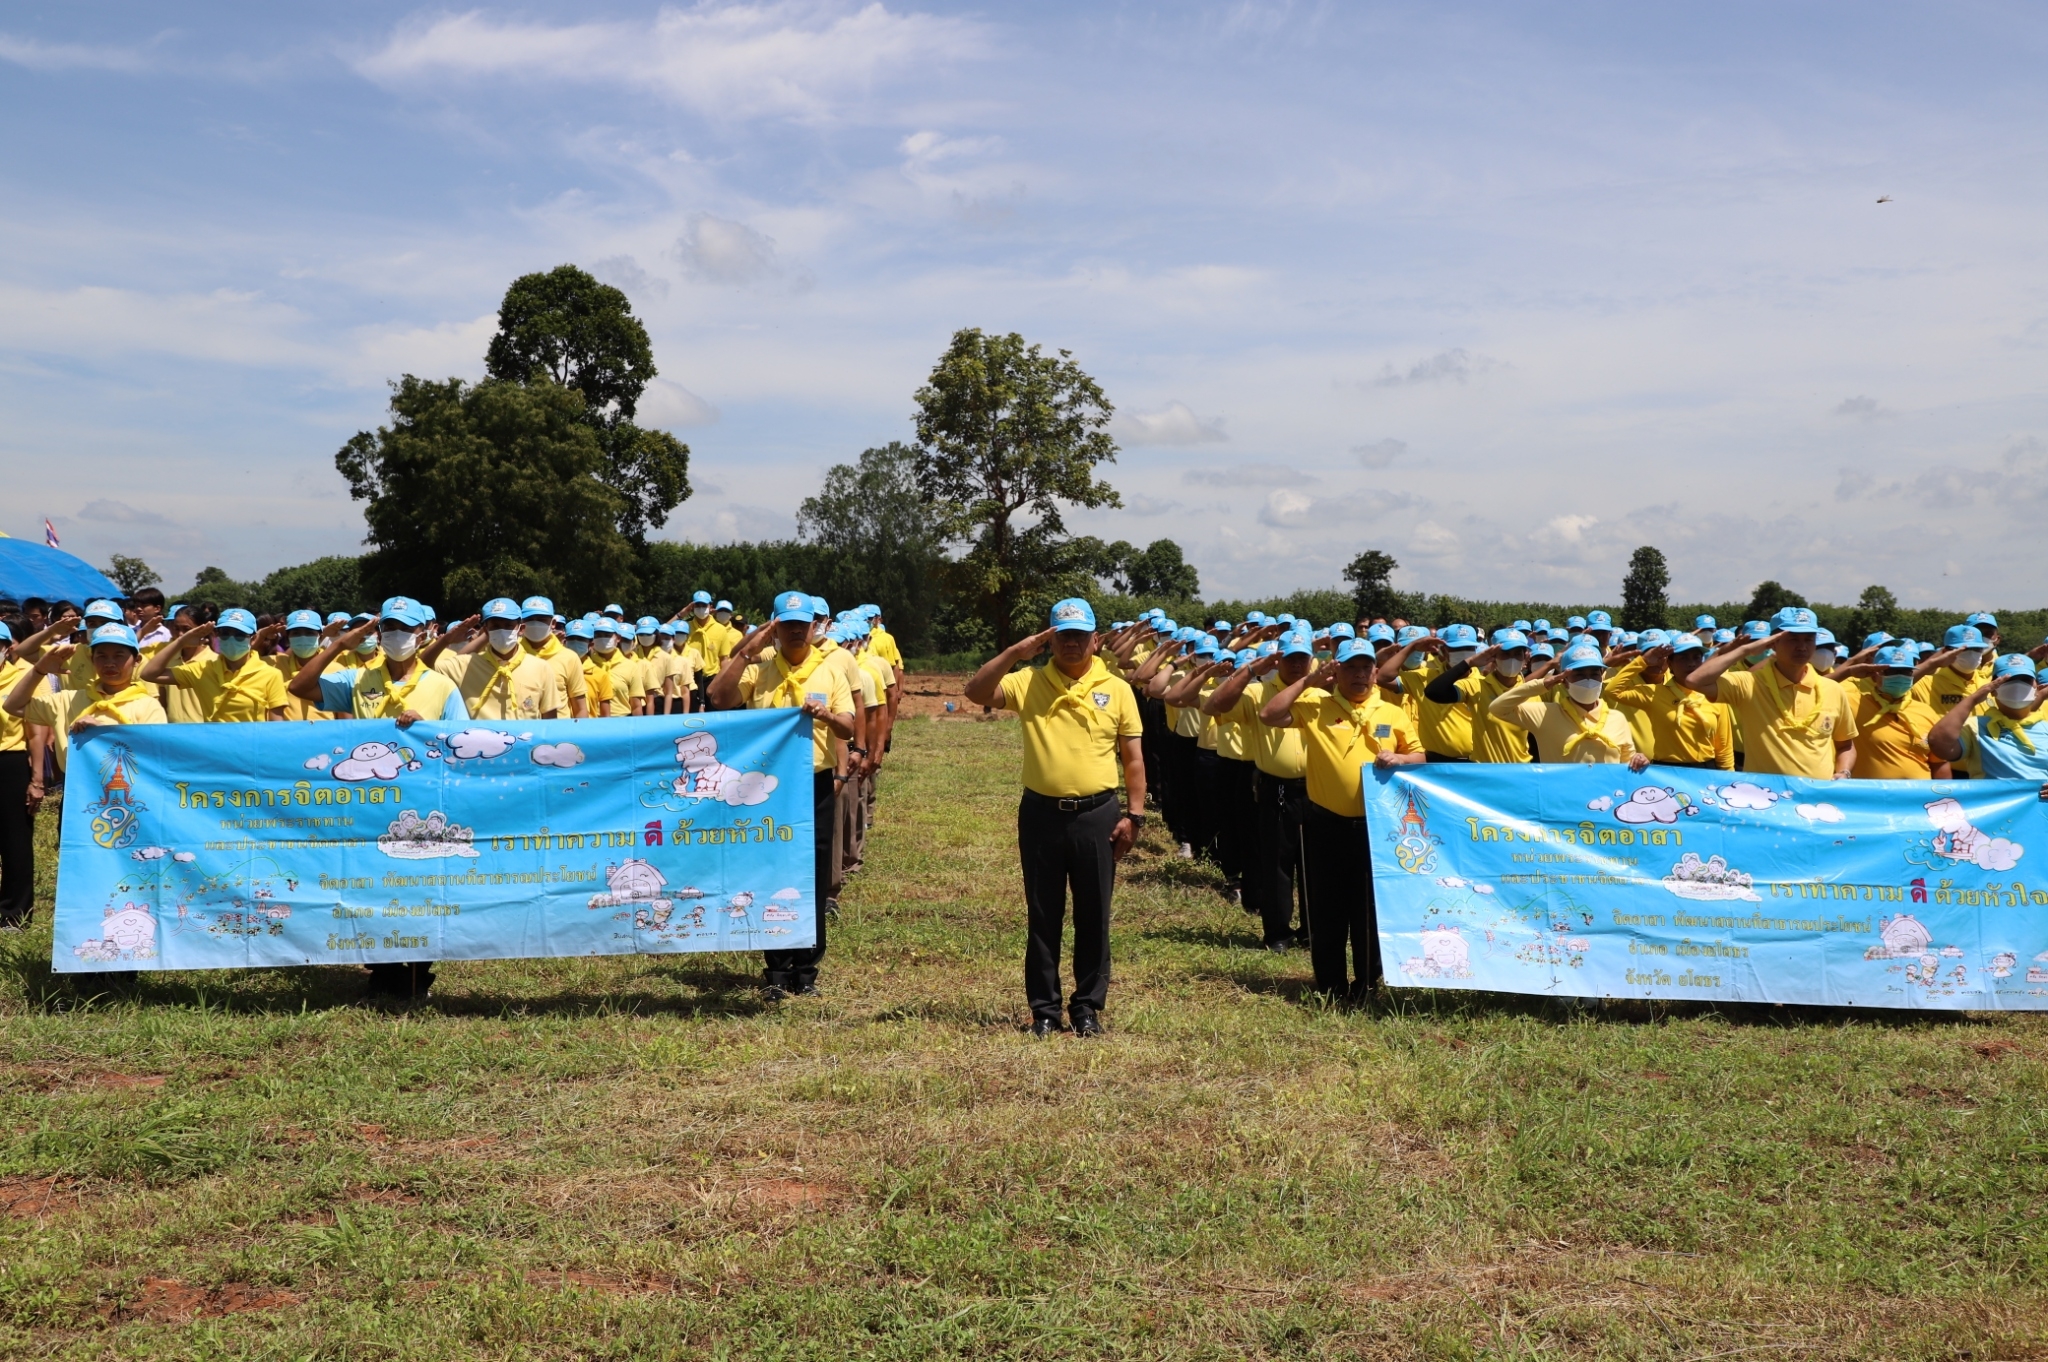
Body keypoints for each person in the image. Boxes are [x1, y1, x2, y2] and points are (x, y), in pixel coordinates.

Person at [965, 598, 1145, 1037]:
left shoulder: (1117, 687)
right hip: (1042, 814)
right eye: (1062, 636)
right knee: (1043, 914)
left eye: (1080, 636)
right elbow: (975, 692)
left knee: (1093, 913)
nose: (1072, 644)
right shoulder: (1029, 681)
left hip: (1098, 814)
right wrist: (1014, 653)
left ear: (1095, 639)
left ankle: (1086, 1008)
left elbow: (1133, 758)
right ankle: (1044, 1010)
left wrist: (1135, 816)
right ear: (1049, 639)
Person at [710, 590, 857, 1000]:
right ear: (773, 628)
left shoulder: (829, 670)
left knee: (811, 873)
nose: (796, 632)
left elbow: (848, 725)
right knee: (771, 872)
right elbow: (719, 698)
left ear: (814, 627)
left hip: (815, 783)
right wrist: (746, 651)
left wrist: (827, 716)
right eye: (786, 625)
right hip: (768, 791)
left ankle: (806, 968)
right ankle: (775, 969)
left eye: (802, 624)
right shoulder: (759, 670)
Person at [1258, 637, 1423, 1000]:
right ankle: (1330, 985)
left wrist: (1400, 760)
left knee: (1368, 911)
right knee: (1326, 908)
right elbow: (1269, 715)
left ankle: (1366, 984)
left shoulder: (1391, 712)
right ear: (1336, 670)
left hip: (1376, 828)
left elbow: (1419, 757)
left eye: (1365, 668)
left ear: (1376, 673)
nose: (1359, 675)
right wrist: (1309, 682)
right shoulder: (1316, 706)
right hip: (1324, 824)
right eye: (1350, 667)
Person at [1204, 635, 1311, 950]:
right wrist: (1250, 670)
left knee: (1312, 866)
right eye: (1289, 658)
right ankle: (1278, 932)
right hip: (1276, 787)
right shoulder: (1256, 692)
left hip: (1317, 789)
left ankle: (1312, 930)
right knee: (1276, 863)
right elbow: (1213, 706)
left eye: (1302, 658)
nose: (1296, 664)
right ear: (1277, 660)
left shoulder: (1321, 692)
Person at [1688, 607, 1857, 779]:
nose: (1802, 647)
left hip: (1816, 799)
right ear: (1773, 642)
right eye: (1793, 639)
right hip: (1766, 800)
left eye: (1809, 639)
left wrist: (1843, 771)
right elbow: (1694, 680)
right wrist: (1744, 650)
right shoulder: (1750, 684)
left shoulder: (1833, 689)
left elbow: (1846, 745)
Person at [3, 623, 167, 788]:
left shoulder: (148, 705)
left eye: (119, 656)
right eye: (101, 656)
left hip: (131, 788)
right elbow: (13, 706)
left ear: (137, 660)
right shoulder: (68, 700)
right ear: (91, 659)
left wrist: (103, 733)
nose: (110, 663)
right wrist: (39, 670)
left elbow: (154, 752)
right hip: (78, 790)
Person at [286, 597, 469, 726]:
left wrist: (425, 729)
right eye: (390, 628)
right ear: (381, 636)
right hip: (370, 779)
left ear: (421, 637)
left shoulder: (444, 687)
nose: (397, 634)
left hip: (419, 779)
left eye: (406, 628)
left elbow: (460, 741)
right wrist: (340, 644)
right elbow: (299, 687)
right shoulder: (356, 680)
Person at [1488, 640, 1652, 768]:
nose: (1588, 680)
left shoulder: (1617, 718)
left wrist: (1639, 759)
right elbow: (1497, 708)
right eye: (1579, 674)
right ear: (1565, 682)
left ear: (1602, 677)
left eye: (1594, 674)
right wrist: (1542, 684)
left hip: (1604, 803)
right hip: (1561, 804)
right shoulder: (1545, 714)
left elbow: (1627, 762)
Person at [1600, 634, 1734, 770]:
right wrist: (1643, 661)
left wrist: (1728, 778)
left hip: (1705, 772)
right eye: (1683, 658)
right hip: (1667, 771)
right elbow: (1613, 691)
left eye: (1696, 657)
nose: (1691, 663)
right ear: (1670, 663)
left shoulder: (1714, 694)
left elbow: (1724, 747)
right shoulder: (1654, 693)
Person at [139, 608, 289, 722]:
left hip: (251, 754)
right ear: (217, 636)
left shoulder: (271, 674)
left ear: (253, 638)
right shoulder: (203, 669)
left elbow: (276, 727)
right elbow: (149, 674)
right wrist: (181, 642)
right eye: (225, 633)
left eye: (239, 635)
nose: (231, 639)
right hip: (213, 754)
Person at [429, 598, 562, 720]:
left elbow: (549, 723)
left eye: (508, 625)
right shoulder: (466, 665)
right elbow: (421, 667)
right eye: (495, 626)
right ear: (486, 631)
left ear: (521, 629)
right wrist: (446, 640)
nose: (502, 630)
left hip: (525, 745)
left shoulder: (541, 668)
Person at [1929, 656, 2048, 791]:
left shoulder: (2045, 727)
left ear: (2037, 686)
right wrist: (1973, 699)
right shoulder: (1975, 727)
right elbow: (1938, 744)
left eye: (2025, 680)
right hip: (1994, 810)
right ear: (1993, 687)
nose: (2017, 686)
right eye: (2008, 680)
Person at [1423, 628, 1540, 764]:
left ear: (1525, 657)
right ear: (1493, 656)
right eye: (1505, 654)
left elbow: (1534, 742)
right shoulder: (1475, 686)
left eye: (1517, 654)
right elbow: (1434, 692)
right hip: (1483, 774)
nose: (1511, 659)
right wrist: (1470, 662)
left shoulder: (1530, 693)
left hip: (1519, 772)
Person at [1835, 645, 1948, 779]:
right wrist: (1849, 668)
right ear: (1874, 675)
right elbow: (1819, 688)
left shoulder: (1926, 712)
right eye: (1891, 671)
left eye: (1906, 672)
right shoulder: (1854, 703)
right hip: (1870, 797)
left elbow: (1939, 763)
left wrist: (1942, 796)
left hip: (1918, 798)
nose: (1900, 676)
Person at [0, 622, 33, 929]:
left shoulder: (21, 678)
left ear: (7, 649)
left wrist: (37, 779)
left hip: (10, 762)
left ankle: (15, 913)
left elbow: (35, 733)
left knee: (15, 840)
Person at [518, 596, 589, 720]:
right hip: (522, 734)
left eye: (541, 619)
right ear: (522, 622)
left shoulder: (569, 657)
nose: (535, 623)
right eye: (530, 619)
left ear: (553, 623)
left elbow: (580, 708)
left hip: (558, 735)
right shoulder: (512, 653)